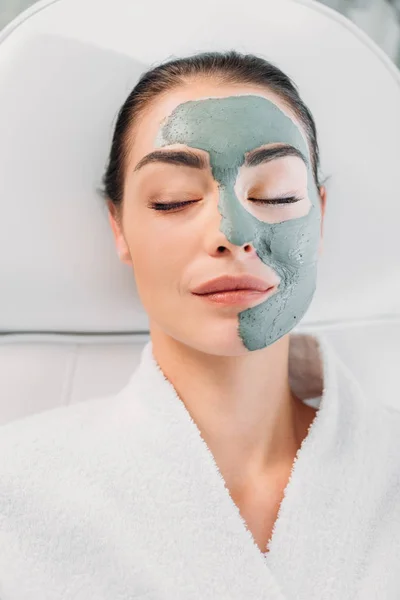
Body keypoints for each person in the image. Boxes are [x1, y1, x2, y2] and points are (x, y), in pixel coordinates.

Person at [0, 50, 399, 600]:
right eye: (174, 201)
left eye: (276, 193)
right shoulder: (15, 489)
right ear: (119, 228)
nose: (233, 233)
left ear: (321, 215)